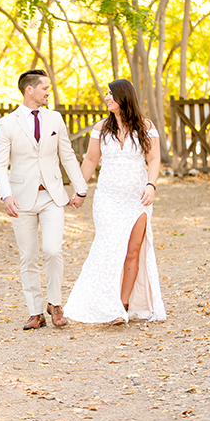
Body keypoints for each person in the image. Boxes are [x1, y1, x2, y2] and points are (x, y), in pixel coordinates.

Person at [64, 79, 166, 324]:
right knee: (109, 248)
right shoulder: (101, 128)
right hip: (108, 198)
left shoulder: (146, 126)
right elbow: (90, 161)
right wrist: (80, 190)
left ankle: (123, 305)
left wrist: (151, 185)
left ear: (124, 97)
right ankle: (104, 303)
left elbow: (154, 160)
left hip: (138, 199)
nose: (106, 98)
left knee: (132, 251)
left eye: (111, 94)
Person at [0, 69, 88, 330]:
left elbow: (67, 155)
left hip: (52, 196)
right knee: (29, 257)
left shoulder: (55, 119)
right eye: (45, 88)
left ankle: (55, 303)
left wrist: (80, 189)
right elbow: (0, 165)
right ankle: (36, 312)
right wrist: (6, 195)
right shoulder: (7, 123)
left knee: (53, 251)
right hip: (21, 199)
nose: (49, 92)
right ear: (29, 90)